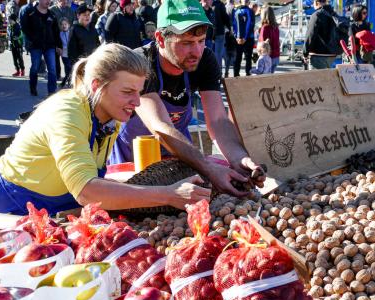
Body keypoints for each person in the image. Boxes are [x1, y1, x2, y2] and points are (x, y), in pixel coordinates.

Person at [0, 44, 210, 215]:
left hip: (48, 215)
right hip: (2, 210)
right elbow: (86, 190)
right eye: (128, 92)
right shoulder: (66, 111)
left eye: (139, 92)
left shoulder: (112, 117)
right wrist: (168, 194)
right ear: (97, 85)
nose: (137, 102)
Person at [109, 0, 265, 197]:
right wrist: (208, 168)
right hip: (134, 161)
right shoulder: (140, 63)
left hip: (181, 159)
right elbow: (161, 128)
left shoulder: (205, 60)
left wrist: (239, 158)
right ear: (160, 38)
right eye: (186, 43)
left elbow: (217, 120)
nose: (197, 52)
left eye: (201, 41)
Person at [20, 0, 61, 96]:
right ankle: (33, 87)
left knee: (52, 69)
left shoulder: (52, 14)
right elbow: (24, 28)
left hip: (50, 46)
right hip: (36, 46)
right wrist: (32, 39)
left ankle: (51, 91)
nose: (48, 1)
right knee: (35, 68)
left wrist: (59, 45)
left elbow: (56, 31)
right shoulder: (30, 12)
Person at [303, 0, 337, 70]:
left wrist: (305, 53)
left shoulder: (317, 14)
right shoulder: (334, 14)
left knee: (315, 79)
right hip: (332, 54)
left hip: (318, 54)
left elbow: (310, 35)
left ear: (316, 2)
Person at [232, 0, 254, 76]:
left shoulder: (237, 10)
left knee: (242, 58)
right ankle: (243, 75)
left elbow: (250, 24)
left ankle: (239, 75)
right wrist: (239, 37)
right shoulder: (236, 10)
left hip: (243, 38)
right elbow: (233, 24)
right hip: (245, 38)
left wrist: (238, 37)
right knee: (243, 58)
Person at [259, 5, 279, 73]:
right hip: (276, 56)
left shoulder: (265, 28)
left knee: (264, 79)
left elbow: (262, 45)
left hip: (268, 57)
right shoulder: (276, 27)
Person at [211, 0, 230, 68]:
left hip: (209, 33)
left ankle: (213, 73)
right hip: (219, 32)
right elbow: (225, 18)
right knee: (218, 54)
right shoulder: (220, 4)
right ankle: (218, 74)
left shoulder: (206, 4)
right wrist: (230, 28)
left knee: (211, 54)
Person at [59, 17, 71, 87]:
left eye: (65, 24)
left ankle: (66, 82)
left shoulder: (71, 33)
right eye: (62, 24)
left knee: (69, 68)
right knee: (67, 67)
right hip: (64, 54)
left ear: (68, 25)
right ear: (60, 26)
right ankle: (66, 82)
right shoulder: (60, 34)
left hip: (71, 53)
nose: (64, 26)